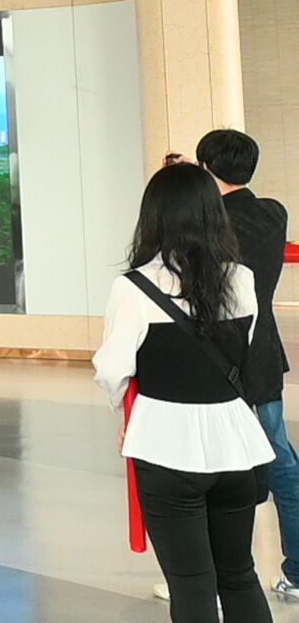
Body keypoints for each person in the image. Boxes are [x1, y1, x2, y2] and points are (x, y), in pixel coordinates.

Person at [94, 162, 274, 623]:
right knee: (239, 575)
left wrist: (125, 415)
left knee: (191, 584)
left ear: (153, 217)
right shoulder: (241, 278)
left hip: (166, 445)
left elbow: (112, 370)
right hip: (237, 444)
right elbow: (244, 349)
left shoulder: (133, 287)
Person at [196, 132, 297, 601]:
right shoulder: (274, 213)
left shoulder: (208, 223)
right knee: (282, 460)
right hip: (263, 354)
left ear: (207, 168)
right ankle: (297, 571)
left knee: (209, 466)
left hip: (217, 354)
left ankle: (211, 579)